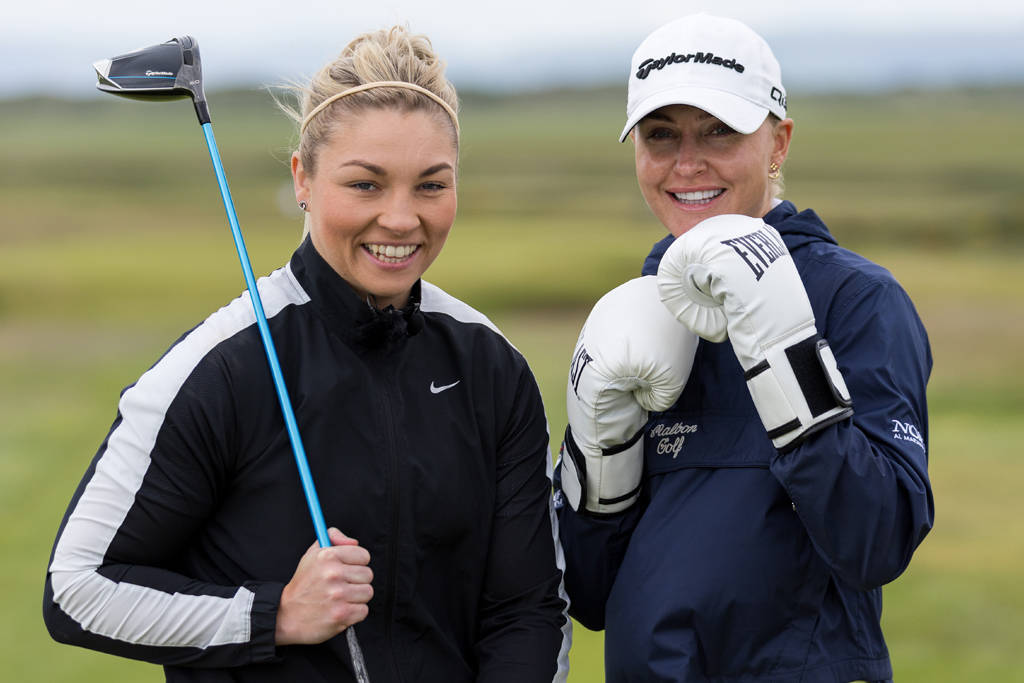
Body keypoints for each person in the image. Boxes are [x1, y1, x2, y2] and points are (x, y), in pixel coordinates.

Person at [44, 26, 570, 682]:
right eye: (366, 185)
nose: (403, 219)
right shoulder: (222, 366)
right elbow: (77, 590)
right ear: (303, 177)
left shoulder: (491, 367)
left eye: (431, 186)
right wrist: (277, 613)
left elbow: (527, 608)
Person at [555, 14, 933, 683]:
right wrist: (596, 459)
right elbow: (587, 592)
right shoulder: (638, 314)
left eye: (719, 131)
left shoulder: (856, 299)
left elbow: (878, 540)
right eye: (660, 134)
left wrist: (789, 362)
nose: (687, 163)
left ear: (779, 142)